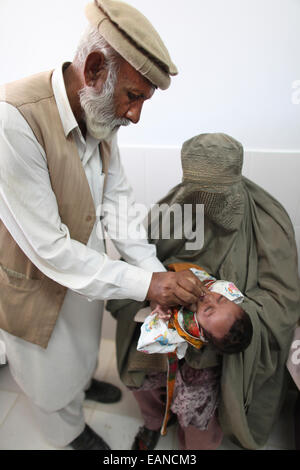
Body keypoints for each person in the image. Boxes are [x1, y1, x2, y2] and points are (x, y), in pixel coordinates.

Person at [0, 0, 205, 450]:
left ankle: (80, 384)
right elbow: (50, 249)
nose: (135, 115)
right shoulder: (13, 118)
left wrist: (155, 273)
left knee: (79, 351)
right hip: (37, 281)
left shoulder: (99, 113)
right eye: (134, 96)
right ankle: (68, 430)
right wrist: (147, 285)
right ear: (94, 69)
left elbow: (119, 205)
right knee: (47, 376)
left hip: (86, 276)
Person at [107, 133, 300, 450]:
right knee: (144, 367)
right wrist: (163, 286)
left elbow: (283, 303)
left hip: (218, 342)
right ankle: (155, 423)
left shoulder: (269, 221)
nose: (206, 203)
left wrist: (225, 312)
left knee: (199, 414)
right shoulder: (177, 205)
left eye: (217, 195)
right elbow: (141, 259)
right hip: (164, 321)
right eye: (198, 192)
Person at [138, 265, 253, 358]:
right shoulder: (220, 288)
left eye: (208, 309)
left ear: (201, 331)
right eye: (221, 299)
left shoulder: (177, 329)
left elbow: (154, 302)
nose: (209, 298)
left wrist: (159, 305)